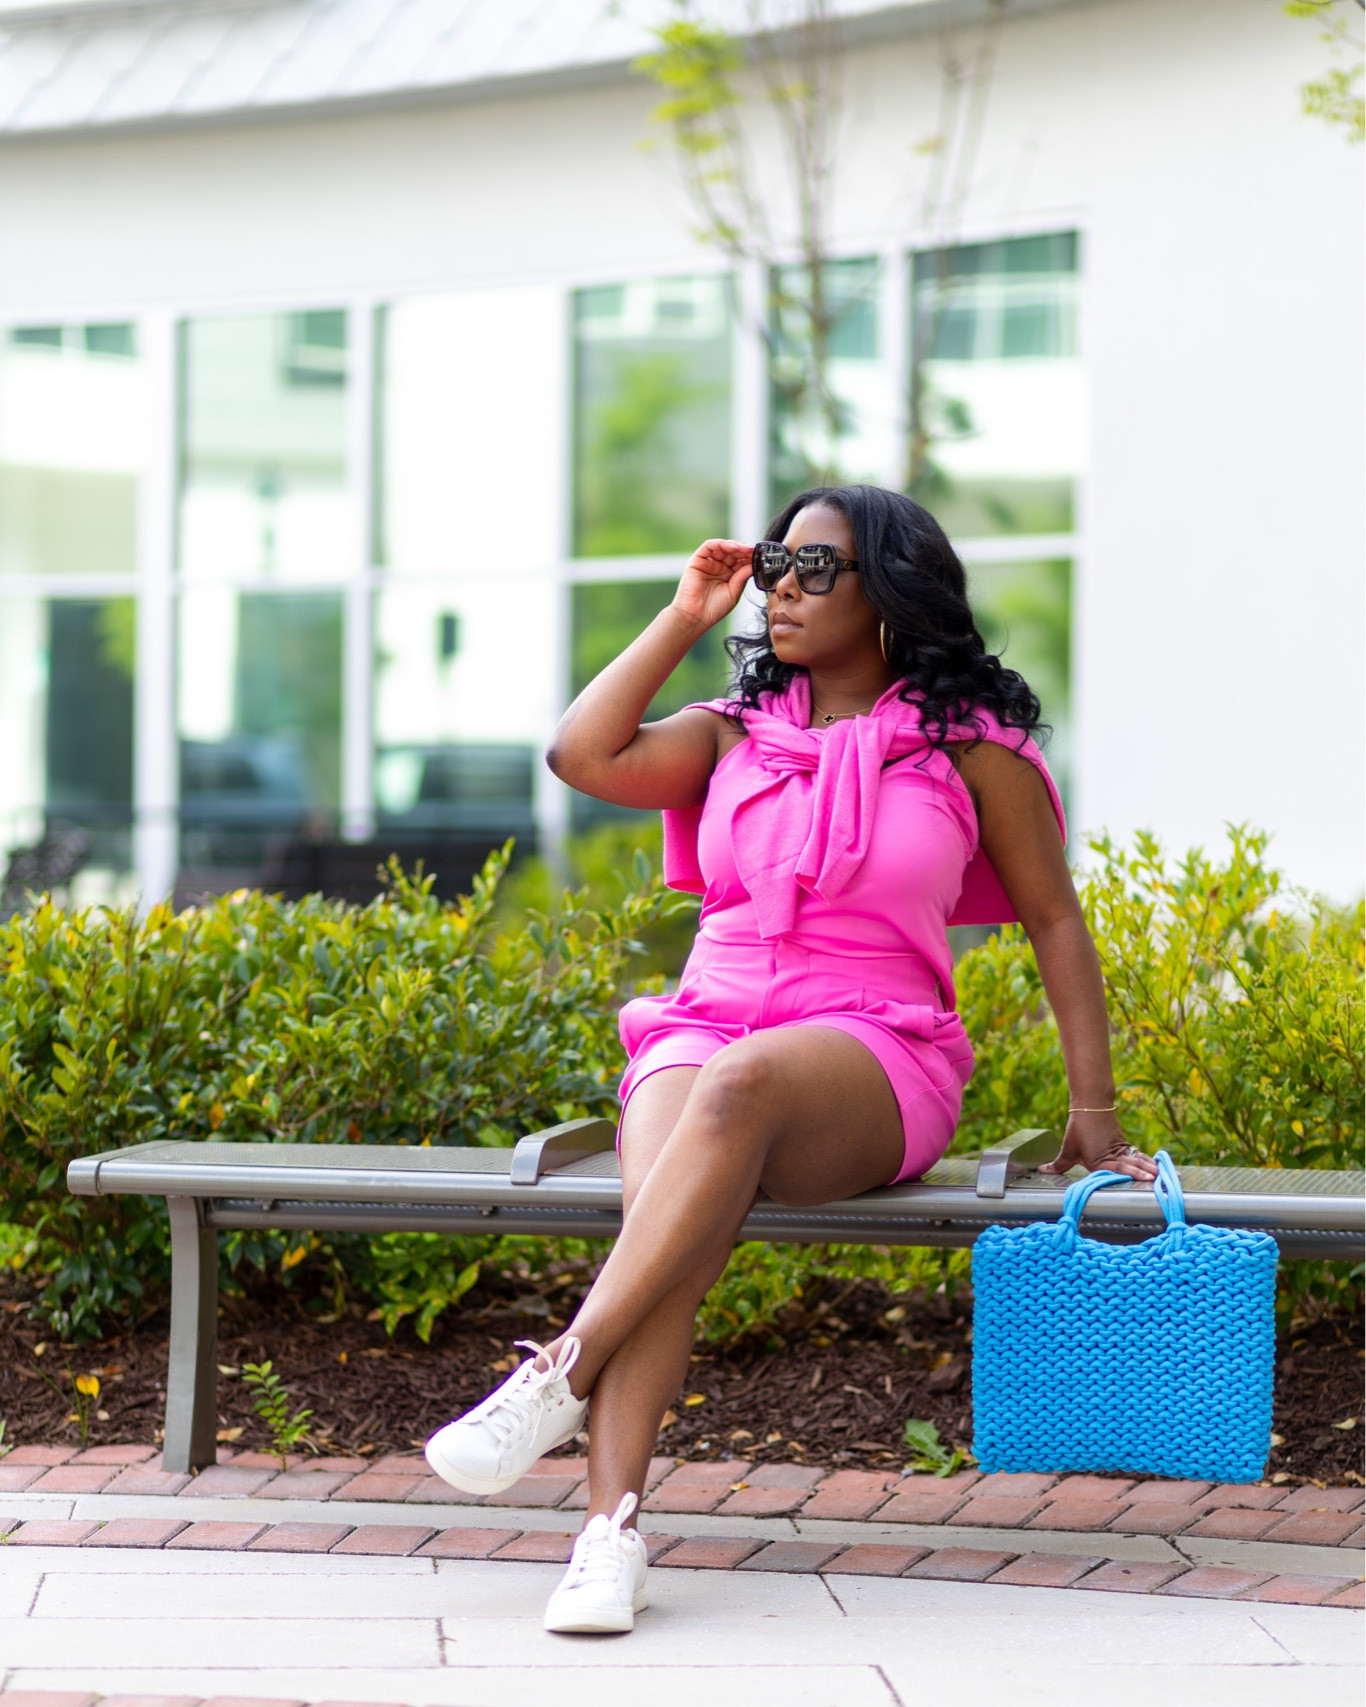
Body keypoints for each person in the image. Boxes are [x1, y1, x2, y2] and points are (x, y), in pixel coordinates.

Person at [424, 484, 1156, 1633]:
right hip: (704, 1024)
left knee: (735, 1091)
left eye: (814, 568)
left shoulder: (971, 752)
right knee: (667, 1211)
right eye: (774, 564)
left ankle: (557, 1372)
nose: (780, 588)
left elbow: (1057, 920)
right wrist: (680, 615)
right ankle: (606, 1537)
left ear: (891, 594)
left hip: (877, 1053)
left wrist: (1094, 1107)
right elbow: (581, 751)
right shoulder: (729, 731)